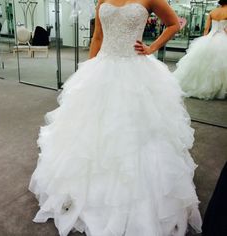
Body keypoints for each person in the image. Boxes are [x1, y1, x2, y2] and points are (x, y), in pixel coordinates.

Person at [29, 0, 202, 235]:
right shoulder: (102, 0)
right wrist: (87, 73)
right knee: (91, 132)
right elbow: (98, 37)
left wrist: (152, 47)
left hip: (135, 71)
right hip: (102, 67)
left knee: (136, 133)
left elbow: (173, 24)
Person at [174, 0, 227, 100]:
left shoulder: (212, 12)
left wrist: (205, 40)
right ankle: (218, 88)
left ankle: (196, 85)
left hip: (210, 38)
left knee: (203, 64)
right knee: (220, 65)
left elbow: (206, 29)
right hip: (223, 38)